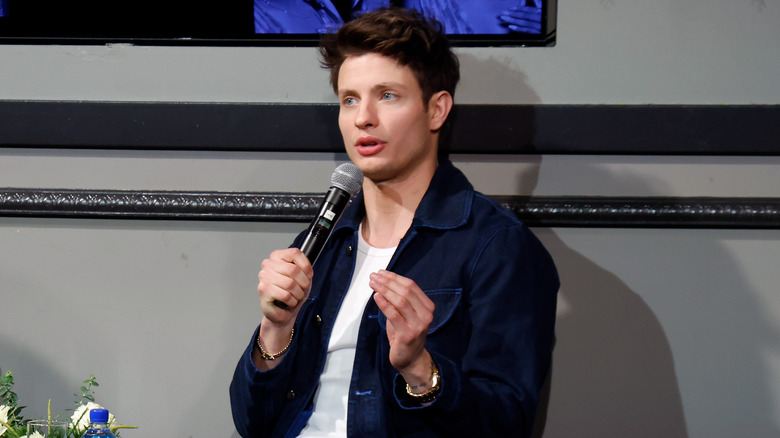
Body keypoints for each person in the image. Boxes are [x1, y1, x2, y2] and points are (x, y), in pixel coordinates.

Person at [230, 7, 559, 437]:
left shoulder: (497, 246)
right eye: (350, 99)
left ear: (436, 110)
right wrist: (275, 330)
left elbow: (507, 423)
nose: (363, 117)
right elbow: (252, 422)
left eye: (387, 95)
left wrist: (421, 370)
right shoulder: (323, 243)